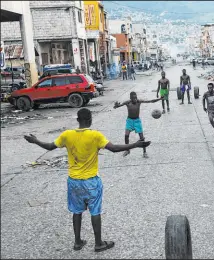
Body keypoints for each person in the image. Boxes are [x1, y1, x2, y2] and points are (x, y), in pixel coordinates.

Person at [23, 108, 150, 252]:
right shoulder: (95, 135)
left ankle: (77, 242)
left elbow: (50, 147)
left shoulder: (67, 135)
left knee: (77, 211)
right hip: (91, 181)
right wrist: (135, 145)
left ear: (78, 120)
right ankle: (99, 243)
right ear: (90, 120)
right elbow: (114, 148)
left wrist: (35, 141)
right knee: (95, 211)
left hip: (73, 181)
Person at [114, 92, 163, 158]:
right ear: (131, 98)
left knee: (142, 137)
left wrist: (159, 99)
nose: (135, 99)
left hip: (137, 121)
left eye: (136, 97)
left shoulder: (139, 102)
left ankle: (144, 152)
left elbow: (150, 101)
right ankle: (127, 150)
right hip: (129, 121)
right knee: (126, 135)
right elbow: (117, 106)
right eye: (134, 98)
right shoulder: (127, 102)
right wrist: (116, 105)